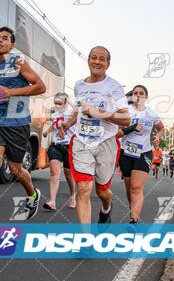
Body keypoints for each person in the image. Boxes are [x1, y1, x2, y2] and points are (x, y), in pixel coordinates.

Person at [0, 27, 46, 230]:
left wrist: (11, 92)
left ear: (11, 45)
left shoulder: (18, 62)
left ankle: (32, 193)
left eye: (4, 38)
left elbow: (40, 87)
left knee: (15, 169)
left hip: (17, 122)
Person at [60, 46, 130, 223]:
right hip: (82, 140)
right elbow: (80, 109)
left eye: (101, 59)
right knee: (83, 187)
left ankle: (106, 207)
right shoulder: (79, 85)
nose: (97, 62)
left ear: (107, 64)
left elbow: (126, 119)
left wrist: (99, 113)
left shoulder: (114, 87)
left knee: (101, 191)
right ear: (88, 60)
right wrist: (69, 123)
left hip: (106, 143)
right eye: (93, 58)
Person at [117, 85, 164, 223]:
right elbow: (118, 133)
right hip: (126, 152)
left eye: (141, 93)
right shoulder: (125, 112)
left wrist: (157, 136)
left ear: (146, 96)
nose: (138, 95)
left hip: (144, 153)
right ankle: (133, 209)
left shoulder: (152, 114)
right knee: (129, 187)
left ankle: (134, 220)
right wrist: (131, 128)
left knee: (136, 187)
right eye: (136, 93)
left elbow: (161, 128)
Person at [41, 92, 76, 211]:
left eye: (60, 103)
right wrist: (47, 131)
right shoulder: (54, 115)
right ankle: (52, 201)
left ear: (65, 102)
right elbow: (55, 125)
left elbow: (79, 110)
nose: (57, 106)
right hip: (56, 145)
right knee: (54, 172)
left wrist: (69, 102)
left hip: (68, 146)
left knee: (68, 174)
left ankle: (72, 196)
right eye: (55, 103)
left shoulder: (71, 113)